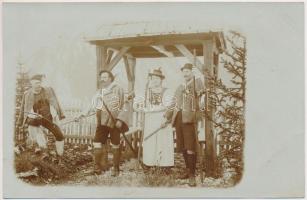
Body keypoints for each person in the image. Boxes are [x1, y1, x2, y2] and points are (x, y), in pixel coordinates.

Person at [78, 70, 129, 176]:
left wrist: (120, 119)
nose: (103, 79)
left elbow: (125, 105)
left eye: (105, 77)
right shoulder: (100, 92)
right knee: (97, 143)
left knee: (115, 144)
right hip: (102, 122)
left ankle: (116, 168)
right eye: (101, 77)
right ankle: (97, 168)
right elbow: (92, 105)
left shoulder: (118, 89)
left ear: (110, 78)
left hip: (115, 122)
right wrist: (82, 114)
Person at [162, 63, 205, 187]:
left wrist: (199, 114)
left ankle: (192, 175)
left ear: (192, 72)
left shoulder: (197, 83)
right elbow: (173, 103)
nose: (185, 74)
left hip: (190, 119)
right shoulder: (180, 87)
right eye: (184, 72)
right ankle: (188, 171)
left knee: (191, 146)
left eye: (188, 71)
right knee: (184, 147)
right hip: (178, 119)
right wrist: (167, 116)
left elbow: (202, 99)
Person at [17, 74, 66, 156]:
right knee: (39, 140)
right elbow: (24, 109)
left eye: (39, 83)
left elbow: (55, 103)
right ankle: (41, 153)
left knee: (59, 135)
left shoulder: (48, 90)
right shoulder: (27, 94)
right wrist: (26, 119)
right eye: (36, 83)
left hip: (48, 119)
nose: (38, 85)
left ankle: (60, 155)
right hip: (34, 120)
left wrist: (59, 115)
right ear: (32, 84)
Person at [138, 68, 174, 170]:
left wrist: (151, 109)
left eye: (157, 78)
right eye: (153, 78)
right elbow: (140, 104)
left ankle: (164, 165)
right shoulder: (147, 91)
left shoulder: (167, 91)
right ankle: (149, 163)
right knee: (150, 141)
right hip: (149, 119)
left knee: (163, 141)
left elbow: (168, 106)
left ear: (161, 80)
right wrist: (141, 107)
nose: (155, 80)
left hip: (162, 118)